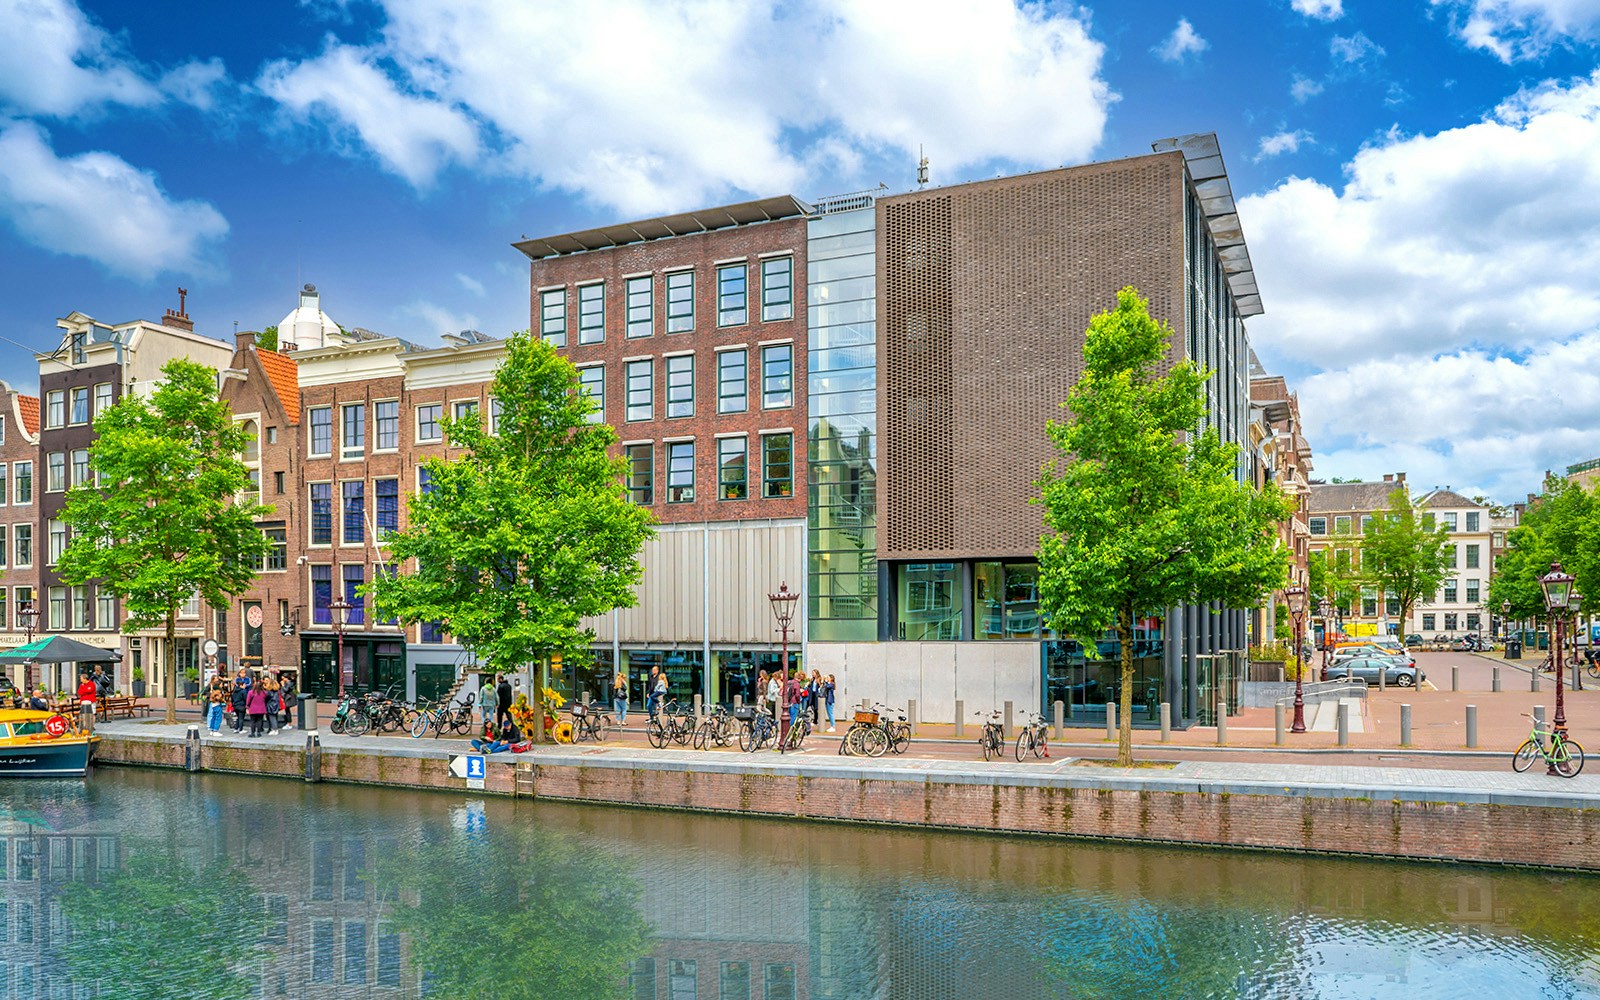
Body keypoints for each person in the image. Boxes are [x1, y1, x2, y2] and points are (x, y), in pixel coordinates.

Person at [263, 670, 282, 736]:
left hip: (270, 705)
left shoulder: (269, 691)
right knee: (275, 717)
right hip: (276, 705)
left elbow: (266, 698)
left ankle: (274, 729)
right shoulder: (277, 691)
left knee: (272, 717)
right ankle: (275, 728)